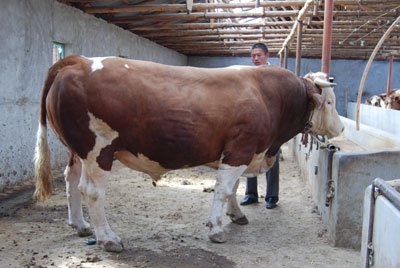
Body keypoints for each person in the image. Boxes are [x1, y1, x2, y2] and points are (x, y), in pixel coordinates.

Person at [240, 43, 280, 209]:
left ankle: (272, 196)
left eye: (259, 55)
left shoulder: (277, 75)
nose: (255, 58)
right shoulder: (248, 74)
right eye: (253, 56)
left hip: (272, 124)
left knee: (272, 157)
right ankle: (251, 194)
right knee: (250, 157)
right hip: (254, 123)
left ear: (267, 55)